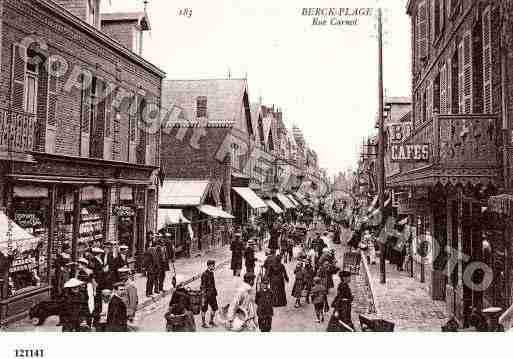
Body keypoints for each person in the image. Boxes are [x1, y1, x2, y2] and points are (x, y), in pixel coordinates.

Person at [200, 259, 218, 328]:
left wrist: (215, 292)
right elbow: (203, 286)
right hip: (206, 295)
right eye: (213, 265)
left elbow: (213, 284)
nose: (214, 267)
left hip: (212, 294)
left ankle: (211, 321)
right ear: (209, 266)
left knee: (214, 308)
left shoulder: (211, 273)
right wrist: (203, 297)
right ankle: (203, 323)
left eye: (214, 265)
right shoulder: (204, 274)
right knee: (204, 309)